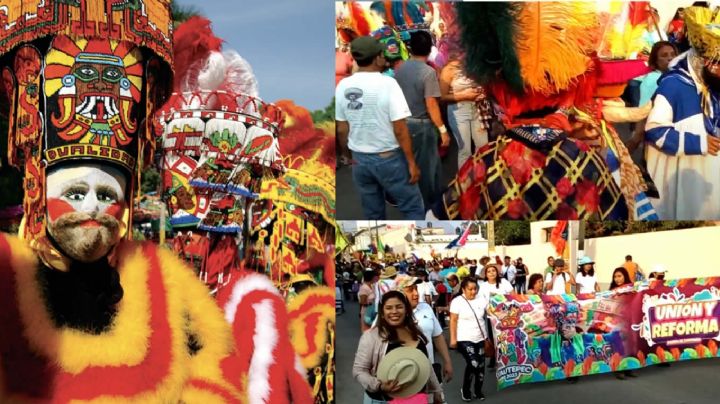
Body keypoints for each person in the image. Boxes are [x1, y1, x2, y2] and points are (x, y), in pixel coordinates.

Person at [0, 11, 312, 402]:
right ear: (37, 194)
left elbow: (215, 368)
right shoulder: (8, 278)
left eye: (109, 195)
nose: (94, 208)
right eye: (76, 193)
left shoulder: (161, 284)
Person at [335, 36, 425, 220]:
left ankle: (376, 248)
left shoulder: (343, 85)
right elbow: (400, 128)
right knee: (412, 208)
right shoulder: (387, 83)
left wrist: (348, 155)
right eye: (382, 53)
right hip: (388, 158)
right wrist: (411, 162)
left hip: (359, 160)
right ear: (376, 58)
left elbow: (342, 129)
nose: (385, 56)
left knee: (373, 214)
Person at [644, 6, 720, 219]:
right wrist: (699, 143)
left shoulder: (714, 84)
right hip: (682, 181)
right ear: (702, 60)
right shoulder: (673, 85)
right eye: (717, 65)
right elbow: (654, 131)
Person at [353, 291, 443, 403]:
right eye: (389, 308)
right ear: (382, 312)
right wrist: (380, 386)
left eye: (399, 307)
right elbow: (359, 370)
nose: (394, 311)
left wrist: (437, 391)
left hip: (416, 399)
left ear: (406, 310)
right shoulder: (371, 337)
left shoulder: (415, 331)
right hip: (382, 401)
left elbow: (426, 365)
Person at [394, 30, 450, 210]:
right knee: (429, 169)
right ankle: (430, 208)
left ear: (410, 48)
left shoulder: (400, 69)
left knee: (412, 166)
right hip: (421, 125)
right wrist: (442, 129)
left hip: (404, 123)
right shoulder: (428, 72)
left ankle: (417, 203)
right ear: (429, 48)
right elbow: (431, 104)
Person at [395, 276, 454, 389]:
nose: (416, 293)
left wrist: (447, 361)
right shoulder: (391, 315)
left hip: (428, 372)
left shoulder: (426, 308)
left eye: (416, 288)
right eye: (410, 290)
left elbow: (438, 337)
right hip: (403, 376)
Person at [439, 57, 488, 168]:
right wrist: (464, 96)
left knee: (483, 147)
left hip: (478, 109)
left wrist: (483, 91)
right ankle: (466, 182)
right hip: (459, 112)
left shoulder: (475, 63)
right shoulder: (449, 69)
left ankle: (481, 179)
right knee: (465, 151)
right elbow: (441, 97)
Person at [449, 277, 488, 401]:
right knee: (473, 363)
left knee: (481, 366)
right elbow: (453, 321)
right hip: (464, 338)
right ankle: (466, 390)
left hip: (481, 337)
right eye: (470, 289)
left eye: (475, 289)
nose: (473, 292)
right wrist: (453, 339)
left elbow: (494, 311)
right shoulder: (457, 301)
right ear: (463, 289)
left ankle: (478, 390)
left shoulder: (482, 300)